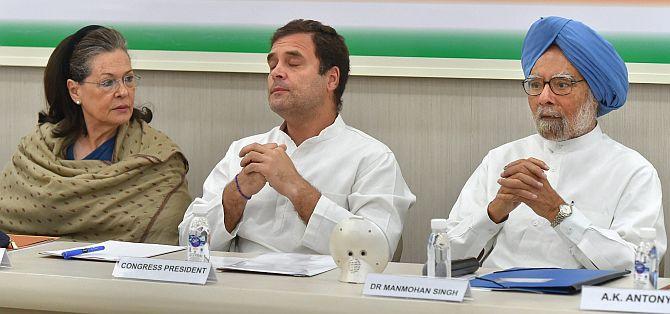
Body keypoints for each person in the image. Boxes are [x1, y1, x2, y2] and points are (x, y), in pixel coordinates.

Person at [447, 16, 666, 270]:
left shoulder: (633, 171)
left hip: (581, 307)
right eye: (536, 84)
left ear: (595, 93)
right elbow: (444, 259)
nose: (544, 98)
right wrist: (494, 212)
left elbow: (640, 266)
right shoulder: (500, 159)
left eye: (562, 84)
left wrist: (558, 212)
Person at [179, 19, 415, 255]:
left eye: (293, 63)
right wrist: (236, 194)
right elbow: (186, 243)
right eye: (272, 65)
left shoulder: (372, 159)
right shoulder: (242, 152)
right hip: (240, 287)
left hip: (325, 290)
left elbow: (374, 253)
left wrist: (295, 186)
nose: (276, 73)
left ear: (331, 79)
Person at [0, 25, 191, 244]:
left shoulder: (158, 157)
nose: (123, 92)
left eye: (128, 79)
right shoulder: (36, 149)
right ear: (75, 90)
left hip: (125, 277)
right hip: (31, 274)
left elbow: (167, 230)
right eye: (108, 82)